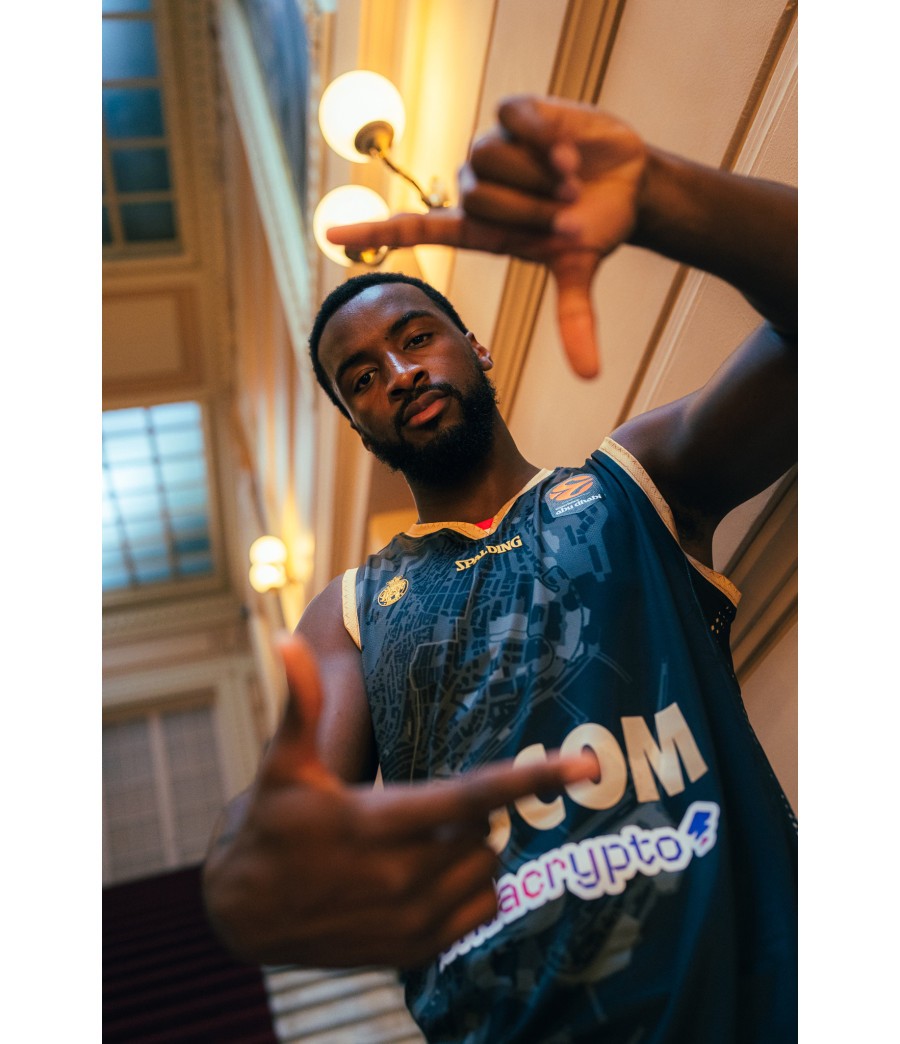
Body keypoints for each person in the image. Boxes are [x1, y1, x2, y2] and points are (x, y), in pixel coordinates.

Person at [203, 95, 797, 1042]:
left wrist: (660, 195)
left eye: (414, 338)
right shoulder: (352, 612)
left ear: (473, 348)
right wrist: (249, 857)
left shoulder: (634, 488)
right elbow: (279, 827)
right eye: (362, 379)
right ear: (359, 427)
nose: (397, 373)